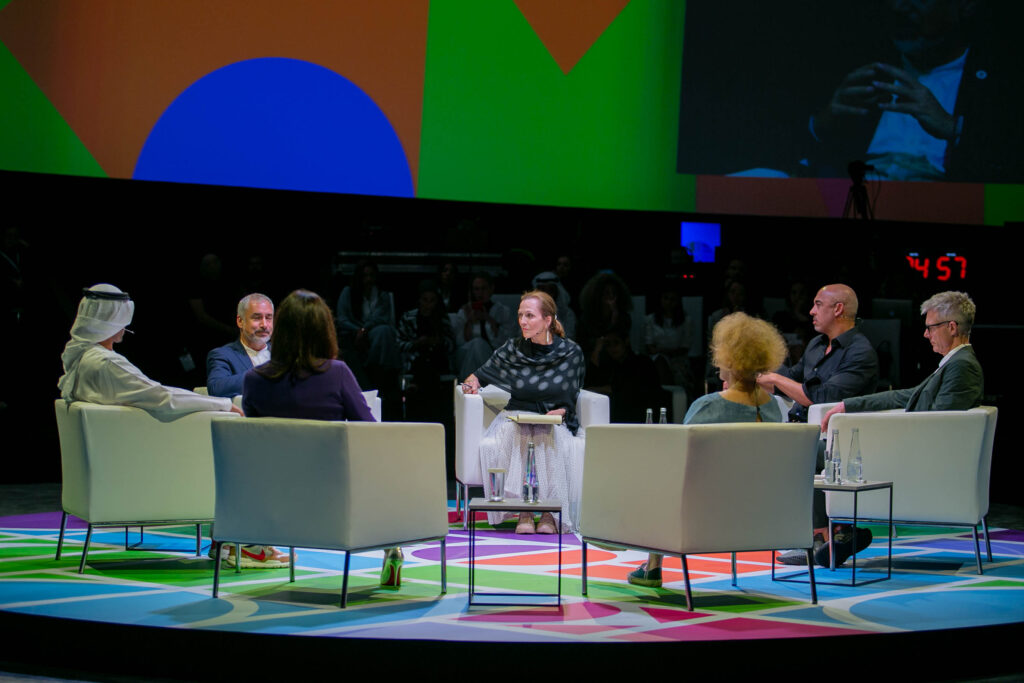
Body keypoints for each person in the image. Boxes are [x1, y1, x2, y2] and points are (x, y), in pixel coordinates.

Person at [240, 290, 397, 583]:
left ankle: (253, 545)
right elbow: (370, 431)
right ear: (325, 330)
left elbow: (255, 445)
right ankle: (391, 544)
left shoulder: (253, 380)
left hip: (272, 501)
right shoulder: (337, 373)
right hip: (335, 498)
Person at [628, 312, 787, 587]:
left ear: (729, 359)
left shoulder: (708, 406)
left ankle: (653, 565)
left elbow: (679, 462)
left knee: (657, 479)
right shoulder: (774, 407)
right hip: (761, 512)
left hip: (704, 513)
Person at [758, 284, 878, 565]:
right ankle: (836, 533)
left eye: (817, 304)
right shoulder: (815, 345)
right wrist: (760, 363)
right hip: (800, 426)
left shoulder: (860, 353)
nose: (811, 311)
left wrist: (776, 380)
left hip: (840, 437)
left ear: (838, 309)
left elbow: (823, 398)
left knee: (805, 453)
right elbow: (793, 379)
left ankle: (819, 537)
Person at [461, 290, 585, 534]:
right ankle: (524, 511)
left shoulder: (571, 353)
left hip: (554, 420)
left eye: (530, 315)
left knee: (543, 433)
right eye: (520, 315)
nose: (523, 321)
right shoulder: (513, 350)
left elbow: (569, 401)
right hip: (515, 417)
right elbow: (475, 376)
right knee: (522, 431)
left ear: (547, 320)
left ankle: (549, 513)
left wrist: (556, 414)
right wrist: (470, 386)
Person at [58, 284, 241, 419]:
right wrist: (223, 405)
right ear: (114, 319)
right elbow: (163, 398)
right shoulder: (105, 363)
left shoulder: (80, 358)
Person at [821, 290, 982, 420]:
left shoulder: (962, 366)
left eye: (930, 328)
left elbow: (939, 423)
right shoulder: (955, 363)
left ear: (952, 328)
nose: (926, 334)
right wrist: (848, 405)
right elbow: (904, 396)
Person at [206, 293, 274, 397]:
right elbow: (216, 388)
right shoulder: (223, 355)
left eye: (269, 318)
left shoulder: (285, 353)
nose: (264, 325)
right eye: (257, 318)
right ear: (240, 321)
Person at [453, 273, 516, 380]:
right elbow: (459, 342)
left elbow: (507, 341)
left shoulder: (503, 311)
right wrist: (469, 322)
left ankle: (469, 387)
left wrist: (489, 320)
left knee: (478, 349)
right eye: (476, 289)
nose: (480, 293)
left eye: (484, 289)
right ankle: (491, 379)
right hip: (465, 354)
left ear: (491, 289)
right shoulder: (465, 311)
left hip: (492, 354)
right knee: (477, 344)